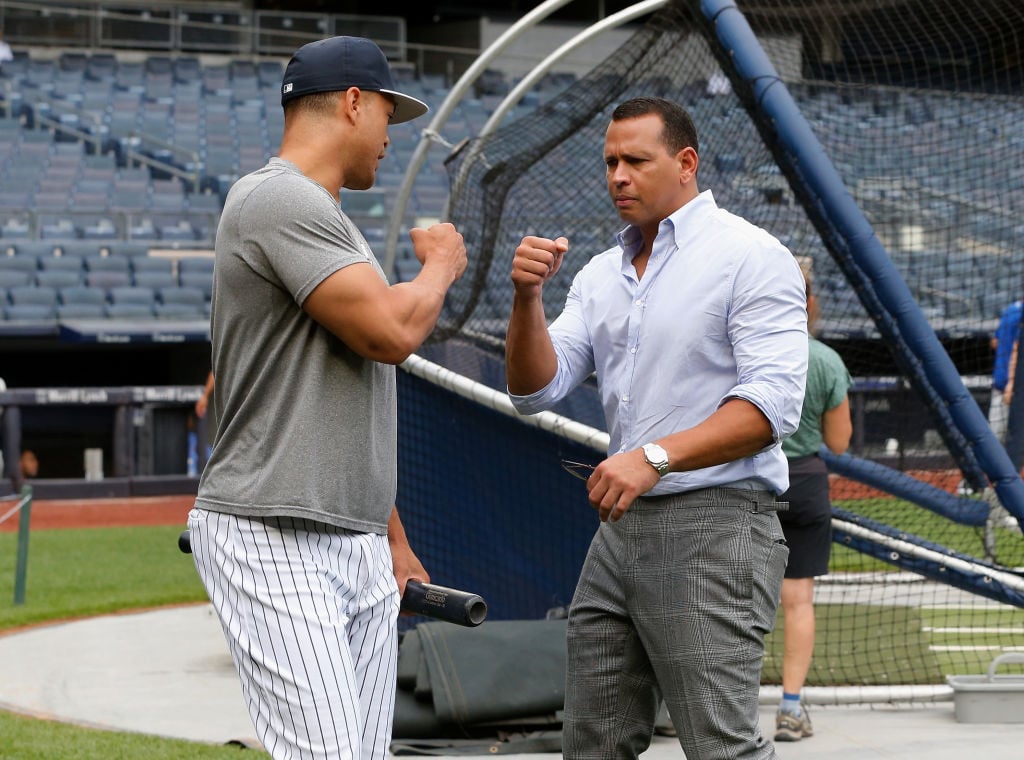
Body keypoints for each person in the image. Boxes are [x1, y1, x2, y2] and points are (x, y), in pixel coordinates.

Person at [188, 36, 467, 760]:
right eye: (385, 115)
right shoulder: (278, 197)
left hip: (354, 537)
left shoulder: (330, 221)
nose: (387, 137)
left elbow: (344, 402)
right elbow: (389, 333)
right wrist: (440, 264)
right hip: (275, 528)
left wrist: (394, 541)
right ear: (352, 103)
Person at [505, 96, 808, 760]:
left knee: (719, 747)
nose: (618, 175)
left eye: (636, 160)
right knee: (590, 742)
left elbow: (771, 408)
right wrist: (527, 299)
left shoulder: (750, 256)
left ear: (686, 163)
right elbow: (534, 390)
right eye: (610, 161)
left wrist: (656, 456)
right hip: (621, 529)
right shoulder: (597, 273)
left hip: (717, 521)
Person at [773, 259, 852, 742]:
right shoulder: (825, 360)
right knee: (798, 602)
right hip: (803, 484)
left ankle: (704, 708)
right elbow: (840, 443)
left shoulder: (741, 351)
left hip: (746, 483)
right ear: (809, 303)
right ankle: (789, 709)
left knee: (724, 599)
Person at [989, 299, 1022, 441]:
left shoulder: (1010, 309)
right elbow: (1017, 349)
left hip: (1000, 379)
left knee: (994, 439)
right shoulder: (1020, 314)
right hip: (1014, 385)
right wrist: (1011, 383)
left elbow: (995, 342)